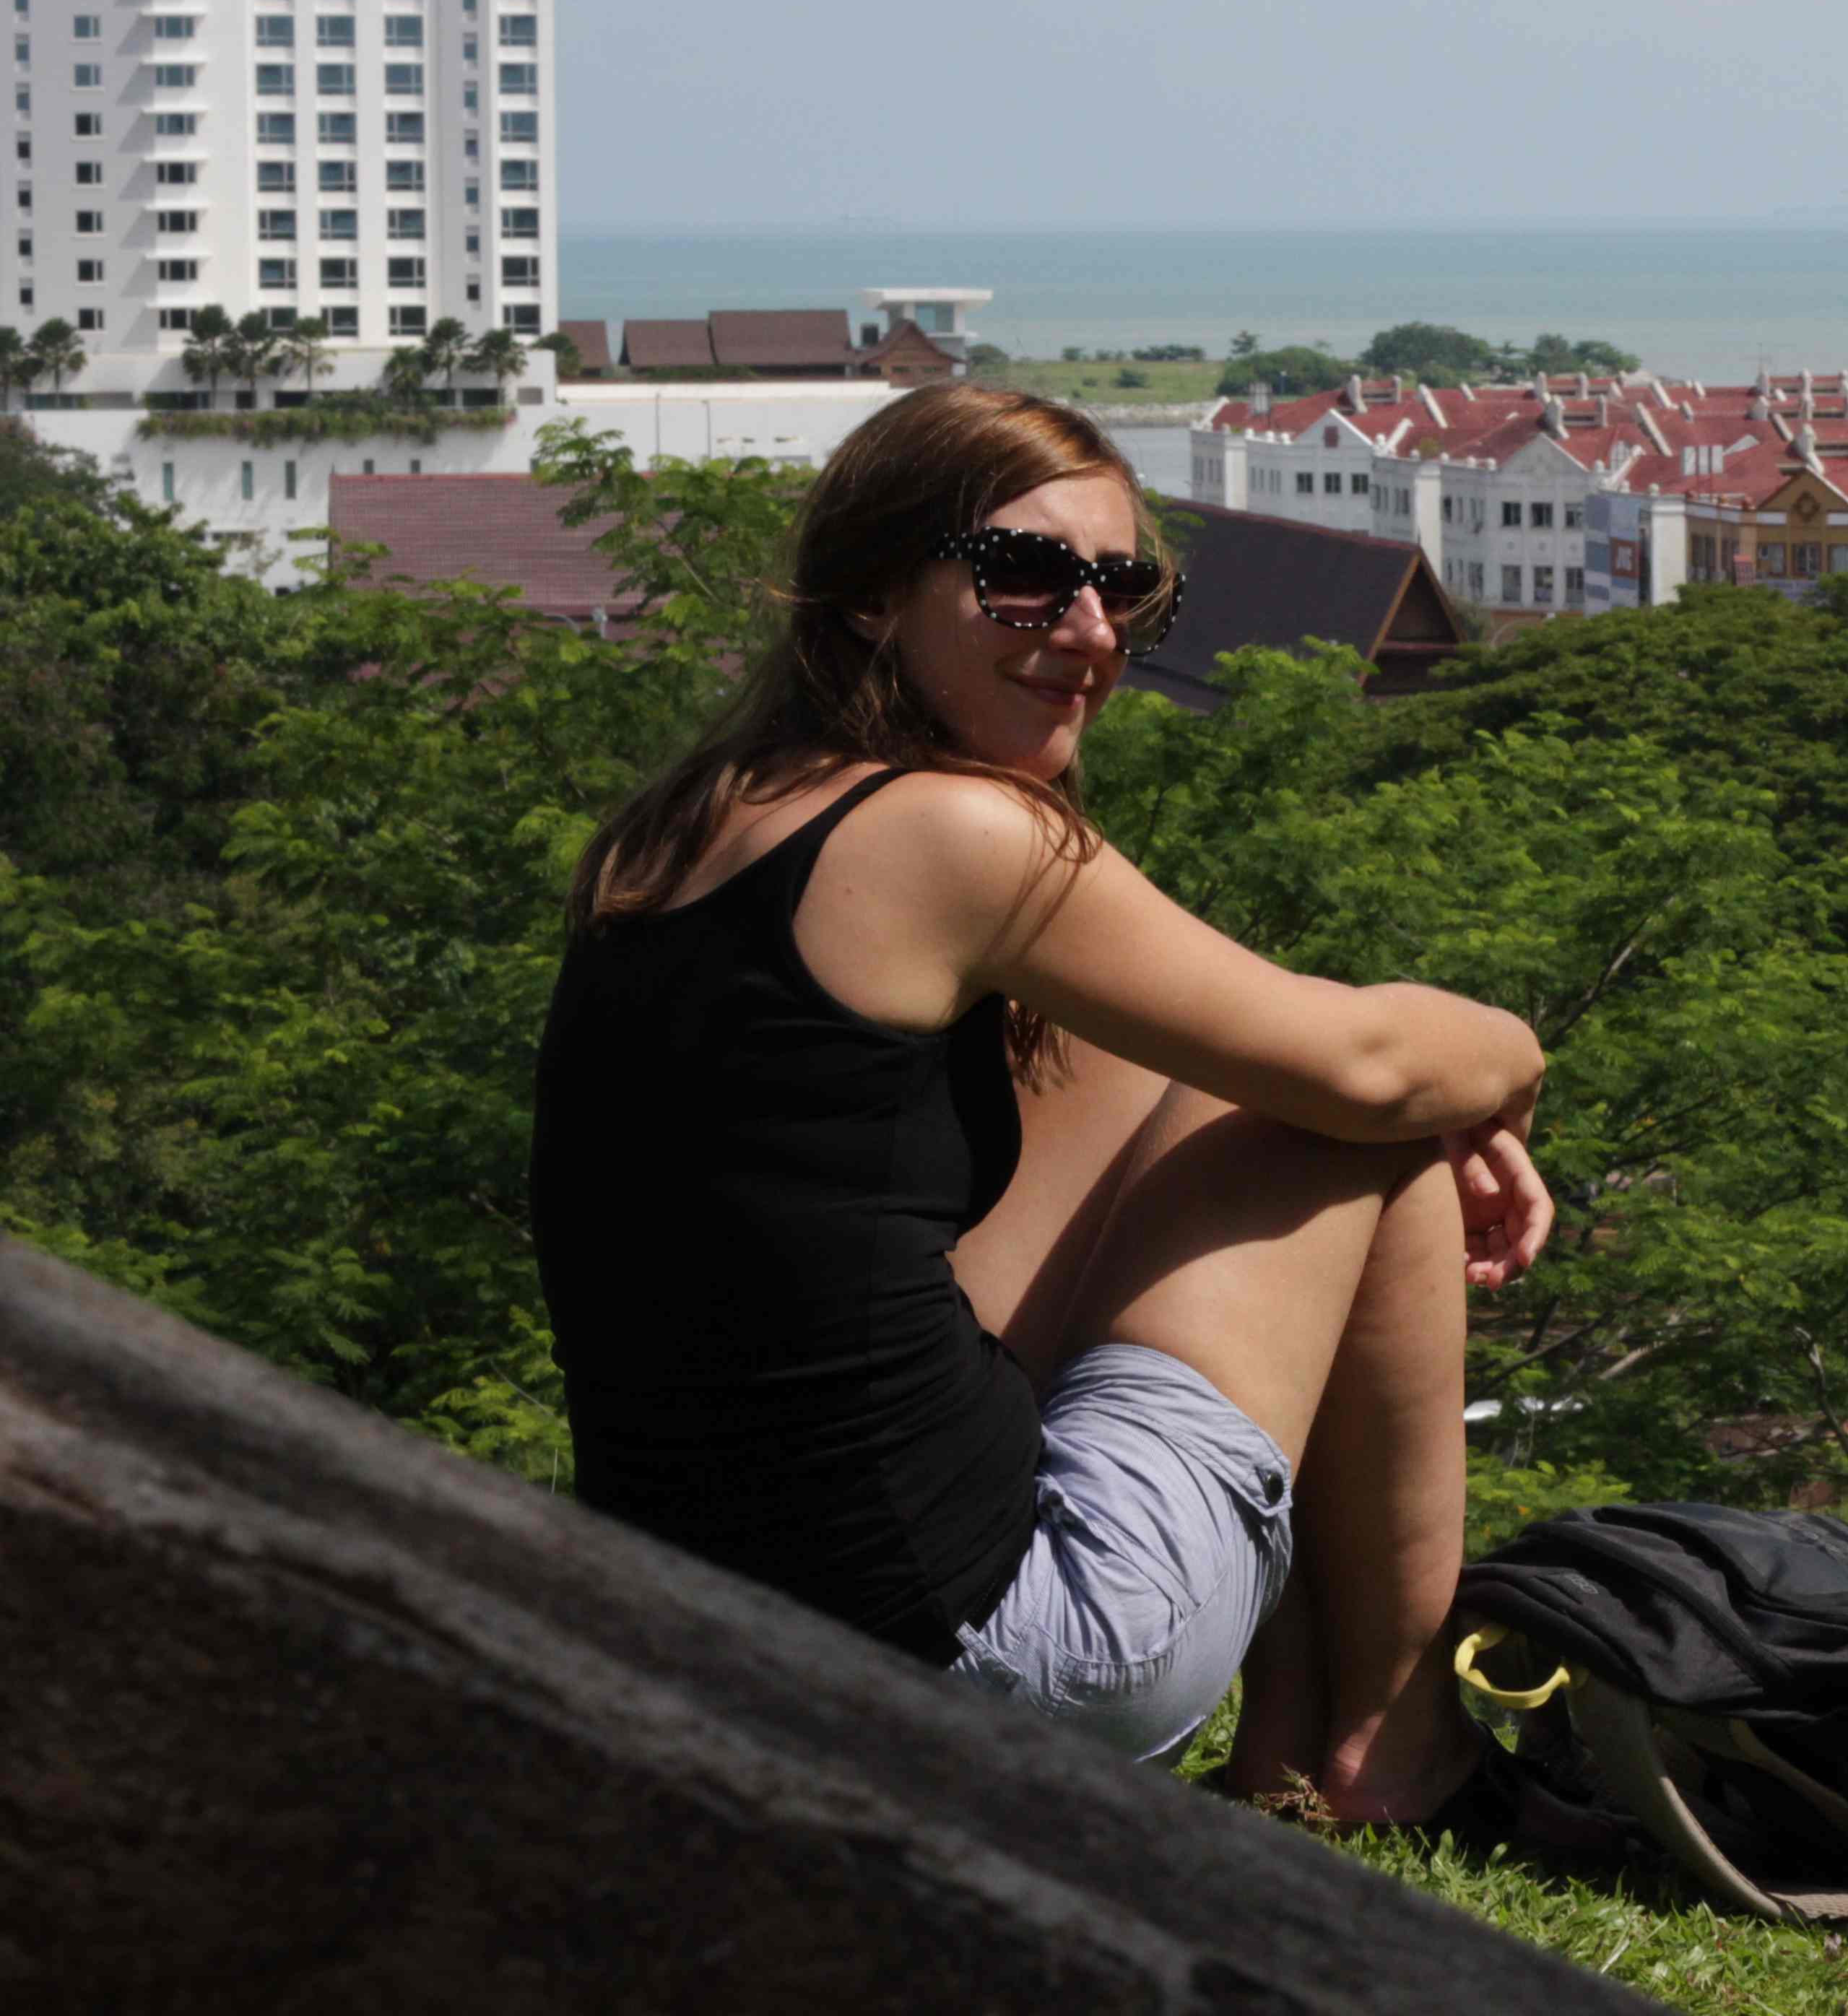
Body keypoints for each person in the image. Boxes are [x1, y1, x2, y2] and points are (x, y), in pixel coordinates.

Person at [526, 381, 1552, 1820]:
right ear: (874, 595)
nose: (1088, 633)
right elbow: (1365, 1067)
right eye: (1022, 576)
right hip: (996, 1664)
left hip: (719, 1646)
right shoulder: (955, 832)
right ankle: (1395, 1743)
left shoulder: (686, 824)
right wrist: (1508, 1063)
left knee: (1244, 1080)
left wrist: (1396, 1092)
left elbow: (1228, 1056)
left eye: (1124, 588)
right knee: (1353, 1133)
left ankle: (1298, 1727)